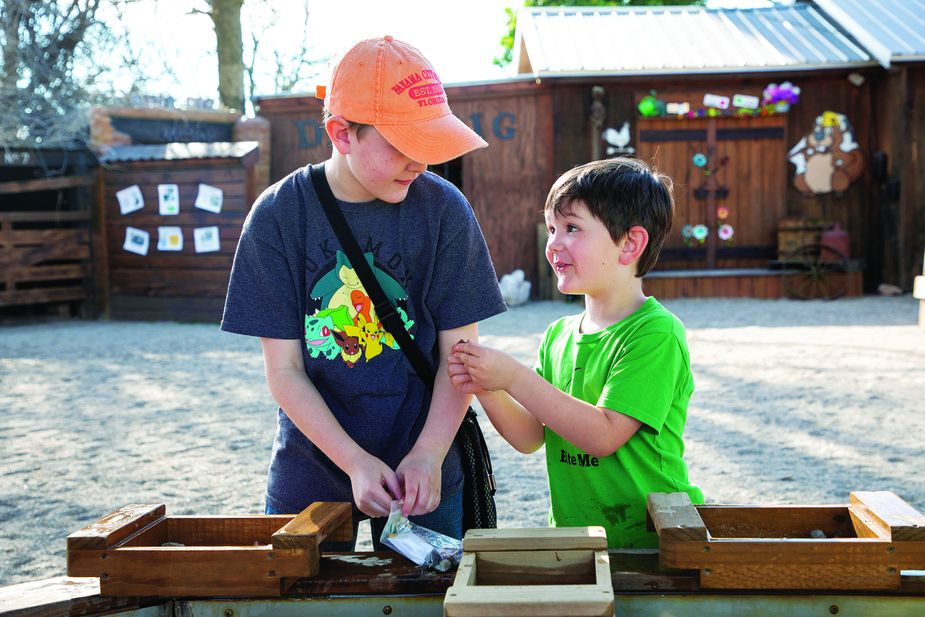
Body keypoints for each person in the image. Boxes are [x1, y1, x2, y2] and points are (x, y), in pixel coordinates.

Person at [221, 35, 506, 548]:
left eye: (429, 142)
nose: (421, 161)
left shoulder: (445, 211)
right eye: (403, 143)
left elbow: (461, 359)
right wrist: (352, 460)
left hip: (425, 465)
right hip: (311, 464)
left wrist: (427, 454)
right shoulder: (277, 216)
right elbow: (284, 372)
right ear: (341, 132)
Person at [449, 157, 702, 549]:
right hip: (576, 540)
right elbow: (530, 436)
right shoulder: (558, 335)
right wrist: (486, 385)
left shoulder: (655, 333)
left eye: (572, 228)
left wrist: (514, 376)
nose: (553, 243)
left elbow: (603, 435)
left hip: (654, 542)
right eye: (552, 228)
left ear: (630, 244)